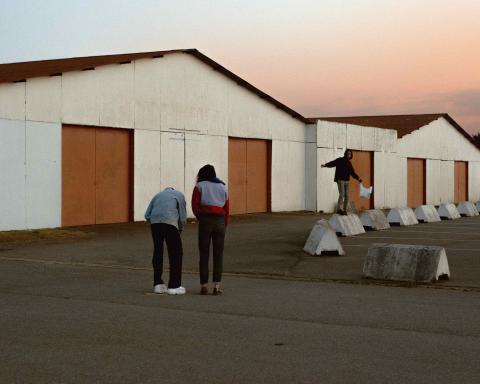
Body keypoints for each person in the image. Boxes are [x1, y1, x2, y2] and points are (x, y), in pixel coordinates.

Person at [191, 165, 229, 295]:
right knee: (218, 254)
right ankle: (217, 286)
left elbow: (194, 205)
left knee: (204, 253)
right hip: (220, 221)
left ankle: (204, 286)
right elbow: (227, 207)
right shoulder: (223, 186)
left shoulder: (200, 186)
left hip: (205, 220)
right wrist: (225, 223)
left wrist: (200, 216)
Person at [145, 187, 187, 295]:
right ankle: (174, 285)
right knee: (176, 253)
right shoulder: (179, 195)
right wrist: (180, 229)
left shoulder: (157, 195)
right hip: (170, 222)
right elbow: (182, 216)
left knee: (158, 251)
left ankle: (157, 284)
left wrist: (156, 220)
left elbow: (147, 215)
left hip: (155, 223)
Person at [321, 149, 362, 215]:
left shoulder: (349, 163)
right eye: (348, 153)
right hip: (340, 180)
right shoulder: (340, 160)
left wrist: (358, 178)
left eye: (350, 154)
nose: (349, 155)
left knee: (347, 196)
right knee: (342, 194)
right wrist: (325, 165)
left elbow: (352, 173)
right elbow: (333, 163)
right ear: (345, 154)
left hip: (347, 181)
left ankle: (344, 210)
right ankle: (339, 209)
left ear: (351, 155)